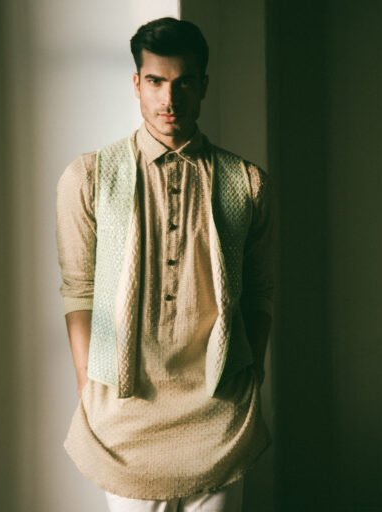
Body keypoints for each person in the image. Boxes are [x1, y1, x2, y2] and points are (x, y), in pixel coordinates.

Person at [56, 17, 273, 512]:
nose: (168, 98)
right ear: (137, 83)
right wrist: (88, 385)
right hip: (124, 415)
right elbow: (78, 289)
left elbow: (260, 290)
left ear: (204, 85)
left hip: (217, 411)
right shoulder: (88, 178)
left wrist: (252, 372)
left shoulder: (248, 183)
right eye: (155, 81)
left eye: (183, 82)